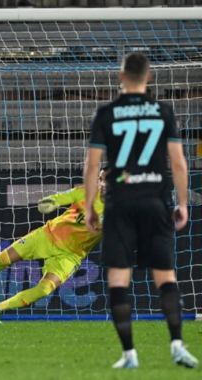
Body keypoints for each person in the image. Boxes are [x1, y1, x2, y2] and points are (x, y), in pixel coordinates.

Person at [84, 52, 197, 369]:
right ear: (148, 77)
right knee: (165, 277)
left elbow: (93, 165)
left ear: (121, 77)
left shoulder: (107, 113)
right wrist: (183, 204)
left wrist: (91, 206)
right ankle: (177, 344)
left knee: (119, 280)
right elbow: (178, 162)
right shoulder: (163, 110)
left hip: (120, 204)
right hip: (154, 201)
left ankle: (129, 354)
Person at [0, 168, 107, 323]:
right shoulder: (85, 193)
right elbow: (60, 198)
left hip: (71, 255)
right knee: (5, 259)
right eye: (101, 179)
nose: (104, 183)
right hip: (47, 236)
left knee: (45, 289)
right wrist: (51, 202)